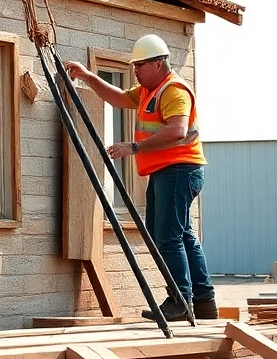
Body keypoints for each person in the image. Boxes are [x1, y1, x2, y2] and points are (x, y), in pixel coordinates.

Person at [65, 34, 216, 322]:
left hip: (178, 170)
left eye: (140, 65)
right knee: (181, 235)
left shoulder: (173, 90)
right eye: (134, 66)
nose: (135, 71)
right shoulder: (149, 90)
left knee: (167, 237)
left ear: (158, 64)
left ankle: (181, 300)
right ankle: (203, 301)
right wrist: (88, 77)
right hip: (169, 171)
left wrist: (133, 147)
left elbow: (177, 130)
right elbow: (118, 98)